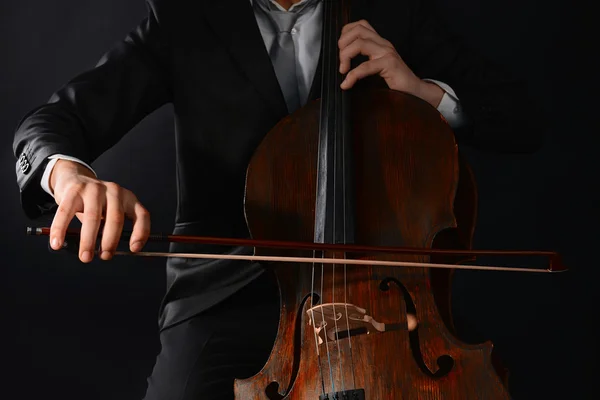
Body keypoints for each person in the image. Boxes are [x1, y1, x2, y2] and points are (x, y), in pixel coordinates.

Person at [13, 0, 542, 398]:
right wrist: (67, 176)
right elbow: (53, 122)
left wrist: (425, 94)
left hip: (379, 300)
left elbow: (521, 117)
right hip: (224, 299)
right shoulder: (187, 16)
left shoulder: (389, 9)